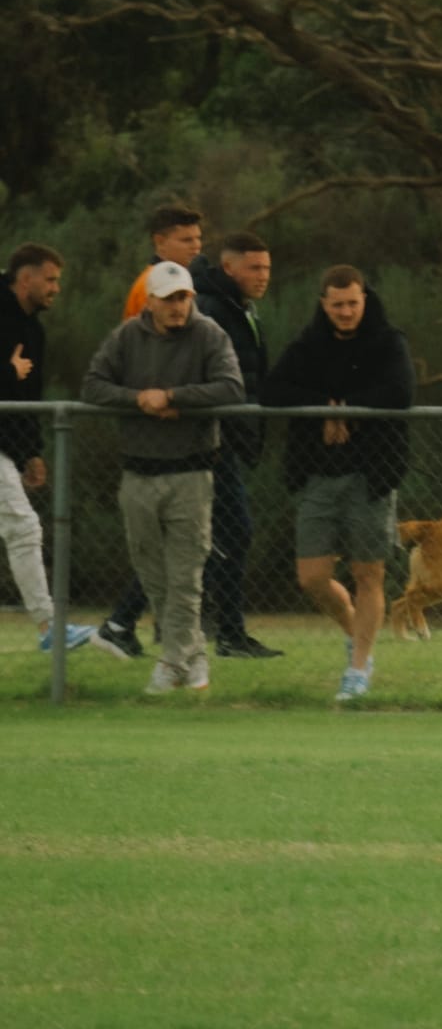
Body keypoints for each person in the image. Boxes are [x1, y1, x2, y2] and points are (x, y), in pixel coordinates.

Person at [80, 260, 245, 692]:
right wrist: (140, 400)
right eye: (169, 299)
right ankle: (194, 654)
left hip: (191, 471)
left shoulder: (209, 334)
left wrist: (175, 398)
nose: (178, 307)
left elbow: (231, 387)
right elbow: (93, 386)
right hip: (138, 473)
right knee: (151, 572)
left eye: (184, 297)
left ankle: (171, 663)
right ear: (150, 301)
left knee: (186, 574)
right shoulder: (126, 337)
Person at [264, 267, 413, 701]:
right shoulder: (309, 345)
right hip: (317, 476)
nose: (346, 311)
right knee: (312, 577)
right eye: (337, 304)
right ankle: (355, 632)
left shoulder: (388, 342)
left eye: (353, 303)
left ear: (364, 299)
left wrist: (348, 409)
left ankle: (359, 667)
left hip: (371, 475)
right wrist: (322, 408)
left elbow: (400, 393)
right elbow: (272, 391)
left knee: (369, 572)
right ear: (324, 304)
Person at [94, 199, 205, 660]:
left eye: (199, 239)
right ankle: (156, 637)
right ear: (160, 243)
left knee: (187, 555)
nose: (197, 247)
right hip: (162, 442)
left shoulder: (193, 293)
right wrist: (153, 398)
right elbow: (136, 358)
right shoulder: (149, 287)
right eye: (186, 239)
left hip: (189, 434)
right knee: (176, 556)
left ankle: (171, 641)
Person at [0, 244, 95, 656]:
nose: (57, 288)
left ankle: (48, 626)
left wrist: (30, 453)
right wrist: (7, 372)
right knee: (23, 527)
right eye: (50, 280)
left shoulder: (33, 330)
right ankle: (49, 627)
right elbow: (12, 382)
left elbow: (26, 400)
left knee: (22, 527)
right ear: (26, 279)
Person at [192, 229, 281, 661]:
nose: (263, 275)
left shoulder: (242, 309)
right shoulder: (212, 309)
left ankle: (223, 630)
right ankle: (225, 631)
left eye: (266, 267)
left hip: (230, 440)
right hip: (212, 441)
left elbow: (256, 376)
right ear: (229, 268)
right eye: (254, 267)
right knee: (231, 531)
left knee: (219, 534)